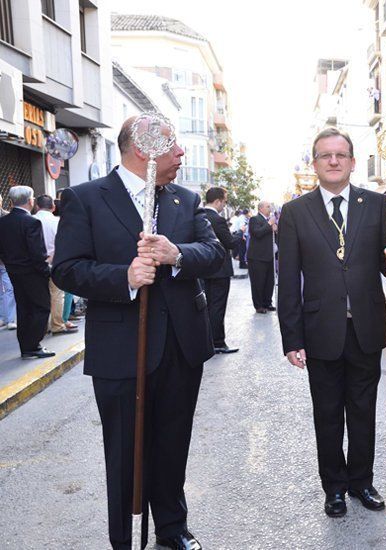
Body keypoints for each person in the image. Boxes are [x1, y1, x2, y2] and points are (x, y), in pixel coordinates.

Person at [52, 116, 225, 549]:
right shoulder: (86, 198)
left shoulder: (185, 200)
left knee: (172, 444)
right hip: (121, 349)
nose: (182, 155)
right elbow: (67, 269)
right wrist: (125, 277)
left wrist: (175, 253)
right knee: (126, 451)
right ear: (142, 149)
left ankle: (172, 527)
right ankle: (125, 538)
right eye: (173, 146)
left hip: (181, 348)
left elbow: (215, 254)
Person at [277, 127, 386, 518]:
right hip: (320, 332)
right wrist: (291, 338)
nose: (333, 161)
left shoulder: (379, 205)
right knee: (328, 414)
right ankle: (333, 487)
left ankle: (361, 482)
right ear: (314, 163)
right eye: (325, 155)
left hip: (365, 327)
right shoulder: (296, 212)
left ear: (352, 161)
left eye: (340, 155)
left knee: (363, 410)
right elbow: (289, 281)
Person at [0, 186, 54, 358]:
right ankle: (33, 345)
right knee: (42, 307)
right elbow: (37, 252)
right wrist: (45, 271)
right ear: (31, 201)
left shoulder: (3, 222)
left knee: (23, 308)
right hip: (32, 272)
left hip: (13, 271)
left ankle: (26, 346)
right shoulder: (30, 222)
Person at [202, 187, 240, 354]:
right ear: (217, 201)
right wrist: (240, 235)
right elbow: (230, 242)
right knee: (217, 306)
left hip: (203, 268)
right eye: (224, 202)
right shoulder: (217, 219)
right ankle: (217, 342)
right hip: (219, 270)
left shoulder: (199, 215)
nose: (224, 206)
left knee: (207, 306)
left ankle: (206, 340)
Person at [33, 194, 77, 336]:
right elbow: (64, 243)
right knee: (57, 295)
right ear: (53, 207)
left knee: (39, 296)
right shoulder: (57, 222)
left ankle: (43, 326)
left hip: (35, 265)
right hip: (55, 262)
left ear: (37, 206)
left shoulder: (30, 220)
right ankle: (57, 325)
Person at [247, 201, 277, 313]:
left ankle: (267, 302)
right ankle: (259, 305)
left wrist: (276, 229)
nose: (270, 208)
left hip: (269, 256)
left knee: (269, 282)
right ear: (260, 208)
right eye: (268, 206)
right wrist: (269, 224)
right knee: (258, 282)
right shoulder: (254, 219)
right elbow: (257, 233)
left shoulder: (269, 221)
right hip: (257, 257)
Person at [0, 195, 16, 331]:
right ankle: (2, 318)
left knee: (9, 289)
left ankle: (10, 319)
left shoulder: (6, 217)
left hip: (4, 260)